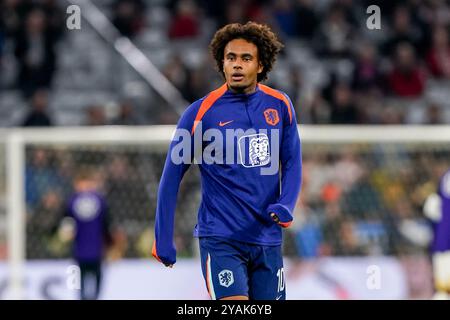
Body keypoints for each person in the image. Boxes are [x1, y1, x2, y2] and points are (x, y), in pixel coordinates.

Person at [152, 22, 302, 300]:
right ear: (222, 62)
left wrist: (286, 204)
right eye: (230, 57)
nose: (236, 65)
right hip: (221, 237)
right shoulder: (199, 113)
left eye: (246, 59)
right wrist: (163, 236)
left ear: (260, 65)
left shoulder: (281, 106)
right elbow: (171, 178)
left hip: (267, 238)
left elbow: (293, 163)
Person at [60, 169, 112, 300]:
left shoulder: (71, 201)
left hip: (82, 250)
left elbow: (66, 223)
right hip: (93, 249)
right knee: (95, 277)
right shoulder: (100, 200)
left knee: (80, 279)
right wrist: (110, 242)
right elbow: (107, 224)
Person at [423, 167, 450, 299]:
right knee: (443, 290)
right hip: (444, 245)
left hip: (442, 244)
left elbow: (431, 210)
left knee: (443, 290)